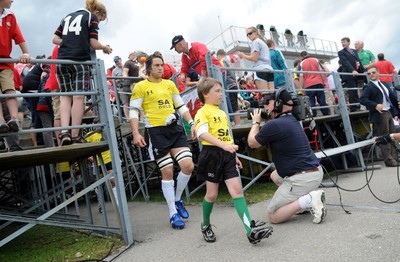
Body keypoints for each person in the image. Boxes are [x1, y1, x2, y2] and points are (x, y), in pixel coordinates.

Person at [195, 77, 273, 244]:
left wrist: (233, 154)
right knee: (212, 194)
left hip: (227, 154)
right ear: (205, 94)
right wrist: (224, 146)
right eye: (217, 91)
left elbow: (226, 135)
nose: (221, 94)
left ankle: (250, 230)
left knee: (237, 191)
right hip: (212, 155)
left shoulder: (222, 113)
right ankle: (205, 224)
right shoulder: (202, 112)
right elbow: (202, 134)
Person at [129, 53, 196, 229]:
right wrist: (136, 133)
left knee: (188, 166)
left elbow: (181, 105)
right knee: (167, 171)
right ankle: (173, 213)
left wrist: (192, 123)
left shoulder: (170, 84)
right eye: (157, 65)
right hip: (156, 132)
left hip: (174, 129)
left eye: (162, 65)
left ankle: (177, 198)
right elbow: (134, 111)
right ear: (149, 67)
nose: (161, 68)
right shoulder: (140, 86)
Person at [247, 88, 327, 224]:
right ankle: (304, 201)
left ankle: (308, 199)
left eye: (269, 103)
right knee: (275, 175)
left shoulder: (275, 124)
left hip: (302, 178)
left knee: (273, 216)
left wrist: (256, 122)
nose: (266, 106)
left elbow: (252, 142)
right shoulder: (291, 120)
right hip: (314, 172)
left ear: (277, 104)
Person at [52, 0, 112, 146]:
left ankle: (64, 133)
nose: (99, 21)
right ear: (98, 13)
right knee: (78, 97)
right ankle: (75, 135)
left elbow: (55, 39)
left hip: (62, 61)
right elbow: (93, 43)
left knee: (65, 97)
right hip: (80, 61)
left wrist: (69, 42)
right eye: (101, 19)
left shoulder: (67, 17)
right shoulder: (92, 18)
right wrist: (105, 48)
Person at [360, 66, 400, 167]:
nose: (371, 75)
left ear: (378, 72)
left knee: (392, 135)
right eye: (369, 74)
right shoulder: (368, 86)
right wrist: (375, 105)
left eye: (373, 72)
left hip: (388, 112)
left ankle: (395, 157)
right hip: (379, 114)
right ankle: (388, 159)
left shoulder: (384, 84)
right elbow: (362, 99)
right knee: (384, 136)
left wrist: (396, 111)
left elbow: (392, 97)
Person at [0, 0, 30, 133]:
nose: (13, 0)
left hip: (5, 61)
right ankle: (1, 121)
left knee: (9, 89)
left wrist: (26, 53)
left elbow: (18, 36)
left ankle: (13, 119)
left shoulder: (10, 16)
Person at [237, 26, 274, 93]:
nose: (248, 35)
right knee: (272, 96)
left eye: (250, 33)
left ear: (256, 32)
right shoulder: (264, 43)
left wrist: (243, 55)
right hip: (269, 69)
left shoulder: (255, 42)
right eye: (247, 34)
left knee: (266, 97)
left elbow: (254, 58)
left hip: (260, 69)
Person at [297, 51, 330, 116]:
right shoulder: (315, 60)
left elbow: (301, 76)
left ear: (301, 57)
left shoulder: (301, 64)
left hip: (308, 85)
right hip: (318, 82)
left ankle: (314, 116)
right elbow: (322, 72)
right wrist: (324, 82)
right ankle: (326, 114)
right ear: (308, 54)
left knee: (311, 102)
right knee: (322, 100)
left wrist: (301, 88)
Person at [338, 37, 364, 112]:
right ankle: (354, 108)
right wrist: (352, 70)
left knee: (356, 90)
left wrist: (362, 71)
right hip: (348, 74)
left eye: (344, 42)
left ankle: (357, 106)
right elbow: (345, 62)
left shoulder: (354, 51)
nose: (343, 44)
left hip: (356, 74)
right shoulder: (341, 52)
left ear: (349, 42)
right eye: (342, 42)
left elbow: (358, 61)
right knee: (352, 91)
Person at [216, 49, 240, 125]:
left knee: (233, 106)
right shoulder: (229, 60)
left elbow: (224, 73)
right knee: (235, 105)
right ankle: (237, 123)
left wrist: (223, 85)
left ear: (219, 55)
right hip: (233, 84)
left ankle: (237, 124)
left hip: (229, 85)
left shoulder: (222, 61)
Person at [121, 51, 140, 120]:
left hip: (140, 83)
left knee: (139, 101)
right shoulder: (128, 62)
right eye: (131, 54)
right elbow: (125, 71)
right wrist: (125, 76)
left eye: (134, 54)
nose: (133, 55)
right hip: (132, 83)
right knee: (128, 102)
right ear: (129, 56)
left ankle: (140, 118)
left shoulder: (138, 62)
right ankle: (128, 118)